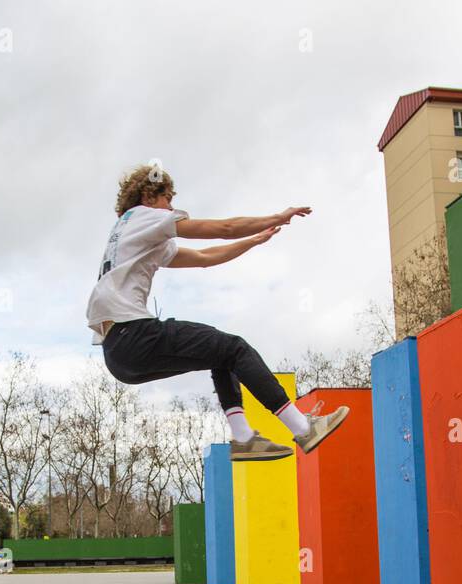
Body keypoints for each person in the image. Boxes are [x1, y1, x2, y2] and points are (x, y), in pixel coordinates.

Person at [86, 163, 348, 461]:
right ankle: (302, 427)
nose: (171, 207)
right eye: (167, 199)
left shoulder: (126, 231)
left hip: (118, 356)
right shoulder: (148, 216)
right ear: (149, 195)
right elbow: (222, 229)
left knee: (219, 353)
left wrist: (253, 240)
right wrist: (278, 217)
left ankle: (244, 436)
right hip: (134, 333)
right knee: (235, 347)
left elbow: (203, 258)